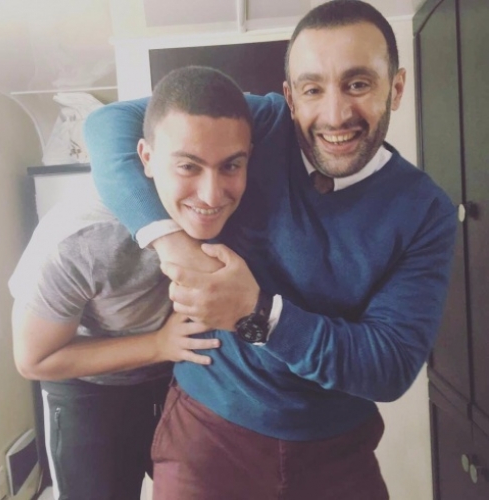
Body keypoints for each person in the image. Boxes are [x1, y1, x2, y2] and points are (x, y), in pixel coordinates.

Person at [84, 1, 457, 499]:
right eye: (312, 89)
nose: (335, 115)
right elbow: (107, 126)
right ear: (289, 97)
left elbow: (388, 366)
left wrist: (257, 313)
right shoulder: (263, 121)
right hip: (207, 428)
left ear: (397, 87)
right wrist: (171, 244)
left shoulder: (424, 211)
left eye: (358, 84)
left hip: (336, 449)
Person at [9, 66, 253, 500]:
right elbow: (34, 359)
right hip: (89, 388)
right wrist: (158, 345)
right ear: (147, 158)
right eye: (188, 166)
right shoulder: (80, 239)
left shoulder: (243, 204)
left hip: (178, 375)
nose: (211, 195)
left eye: (230, 165)